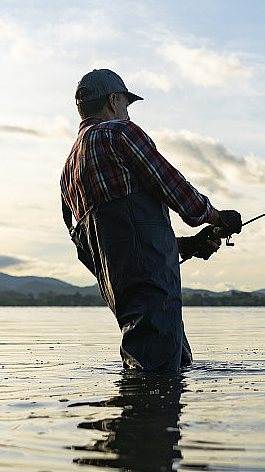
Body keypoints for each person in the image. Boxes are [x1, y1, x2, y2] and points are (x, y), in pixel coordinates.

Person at [60, 68, 241, 372]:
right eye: (126, 104)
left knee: (155, 361)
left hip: (120, 290)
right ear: (113, 101)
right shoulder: (120, 132)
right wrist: (216, 216)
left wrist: (183, 245)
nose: (128, 112)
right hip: (153, 284)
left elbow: (100, 245)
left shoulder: (67, 172)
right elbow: (173, 187)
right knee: (159, 372)